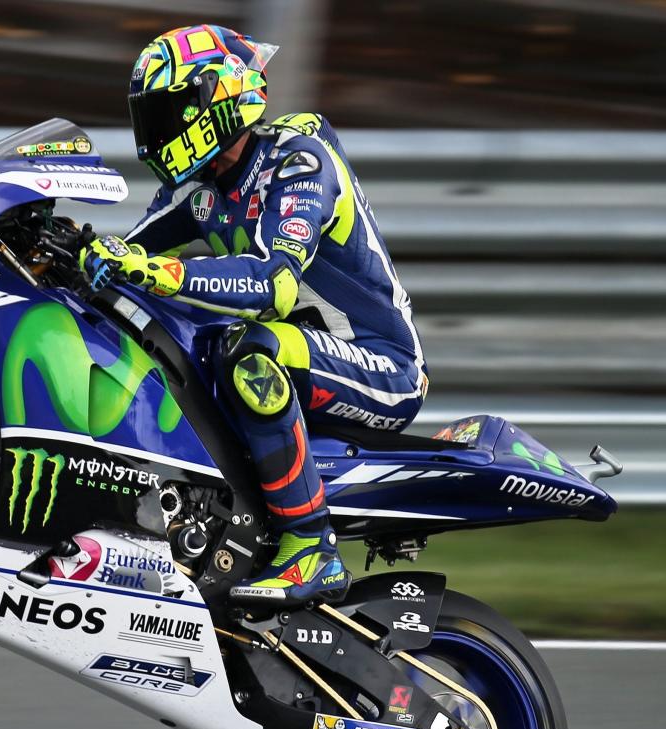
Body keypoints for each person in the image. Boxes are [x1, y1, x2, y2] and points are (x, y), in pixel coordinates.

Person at [78, 23, 426, 606]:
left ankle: (311, 547)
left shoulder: (299, 163)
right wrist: (75, 250)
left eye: (166, 114)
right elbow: (131, 253)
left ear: (215, 101)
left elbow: (274, 283)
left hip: (383, 367)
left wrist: (158, 271)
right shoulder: (201, 186)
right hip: (305, 353)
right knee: (170, 326)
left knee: (251, 351)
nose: (153, 135)